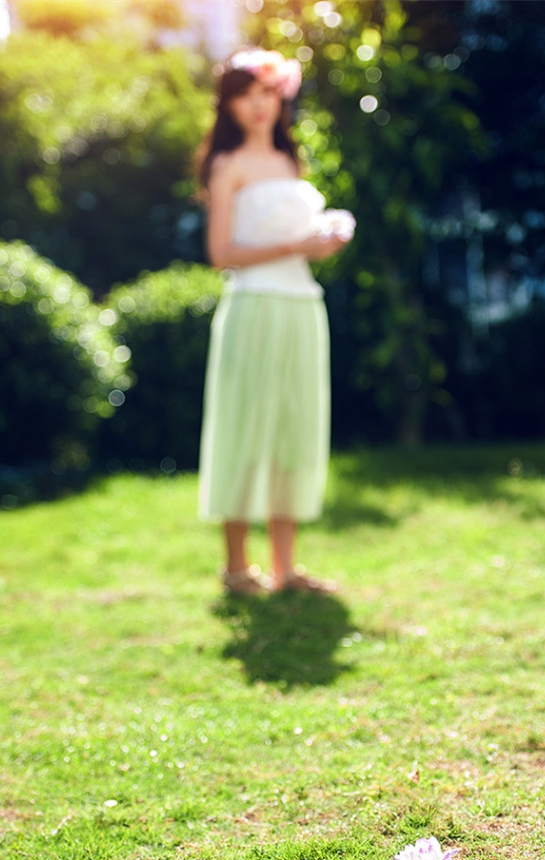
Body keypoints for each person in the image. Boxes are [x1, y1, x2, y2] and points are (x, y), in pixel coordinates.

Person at [196, 48, 354, 595]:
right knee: (245, 428)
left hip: (302, 307)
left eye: (266, 91)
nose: (258, 104)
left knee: (295, 430)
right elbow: (221, 253)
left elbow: (301, 245)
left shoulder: (292, 163)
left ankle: (286, 569)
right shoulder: (227, 166)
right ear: (230, 104)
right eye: (245, 93)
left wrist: (322, 245)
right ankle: (238, 567)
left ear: (280, 96)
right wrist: (297, 243)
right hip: (253, 308)